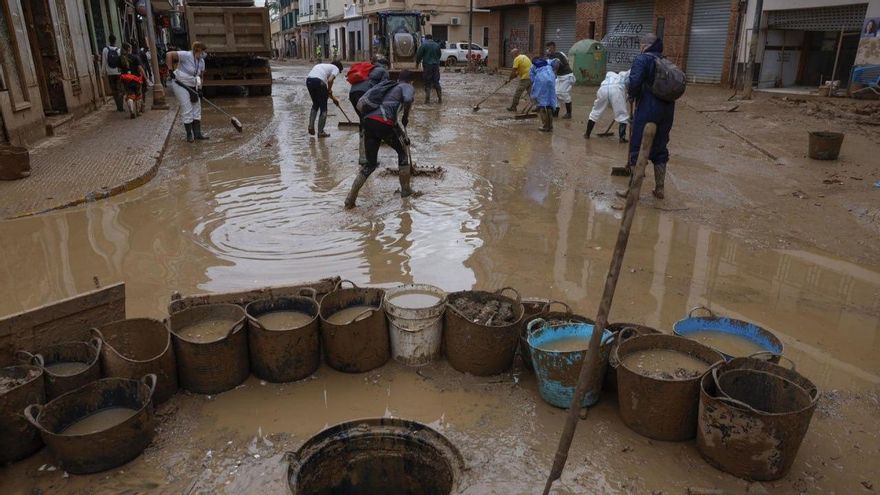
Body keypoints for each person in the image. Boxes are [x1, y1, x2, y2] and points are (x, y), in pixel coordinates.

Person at [345, 70, 416, 209]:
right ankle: (406, 191)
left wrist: (403, 135)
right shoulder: (406, 86)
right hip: (383, 123)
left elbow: (392, 121)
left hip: (369, 123)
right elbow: (407, 100)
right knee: (402, 154)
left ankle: (350, 199)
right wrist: (406, 116)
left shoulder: (388, 89)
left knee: (370, 164)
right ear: (410, 81)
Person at [618, 34, 675, 200]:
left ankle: (632, 190)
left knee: (638, 146)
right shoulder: (665, 61)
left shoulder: (642, 59)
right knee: (660, 147)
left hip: (648, 108)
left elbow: (634, 81)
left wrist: (631, 95)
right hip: (667, 110)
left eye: (641, 44)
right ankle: (660, 189)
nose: (640, 47)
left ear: (646, 45)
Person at [166, 41, 209, 143]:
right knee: (187, 108)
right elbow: (169, 55)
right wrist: (170, 71)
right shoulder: (186, 55)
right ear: (197, 50)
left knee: (197, 107)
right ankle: (189, 135)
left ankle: (198, 134)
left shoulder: (201, 61)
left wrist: (200, 89)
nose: (204, 54)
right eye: (203, 52)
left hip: (194, 85)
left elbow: (201, 77)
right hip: (180, 84)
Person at [349, 58, 390, 166]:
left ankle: (363, 156)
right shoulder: (383, 71)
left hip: (353, 94)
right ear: (385, 65)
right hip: (366, 94)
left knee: (364, 123)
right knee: (369, 125)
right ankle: (366, 158)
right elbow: (383, 88)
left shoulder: (368, 69)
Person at [585, 70, 630, 142]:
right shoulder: (623, 76)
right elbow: (629, 84)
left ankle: (587, 134)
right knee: (622, 114)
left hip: (603, 89)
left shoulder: (609, 75)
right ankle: (622, 138)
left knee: (596, 111)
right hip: (616, 90)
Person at [306, 60, 343, 138]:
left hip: (309, 81)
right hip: (318, 82)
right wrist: (329, 91)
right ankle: (321, 132)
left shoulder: (321, 66)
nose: (336, 76)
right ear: (339, 68)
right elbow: (330, 81)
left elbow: (326, 87)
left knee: (316, 104)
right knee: (323, 108)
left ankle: (311, 126)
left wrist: (333, 98)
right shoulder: (335, 68)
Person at [545, 42, 575, 119]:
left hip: (567, 76)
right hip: (560, 77)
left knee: (563, 93)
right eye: (547, 48)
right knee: (555, 94)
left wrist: (553, 75)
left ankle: (569, 113)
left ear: (554, 48)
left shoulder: (557, 55)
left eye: (550, 48)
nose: (548, 50)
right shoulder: (552, 57)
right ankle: (556, 113)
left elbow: (556, 66)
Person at [529, 57, 559, 132]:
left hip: (541, 80)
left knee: (541, 105)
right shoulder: (548, 62)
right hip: (551, 80)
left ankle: (545, 126)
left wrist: (535, 89)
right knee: (549, 103)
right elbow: (557, 61)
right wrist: (554, 72)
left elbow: (532, 79)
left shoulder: (533, 66)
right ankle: (550, 126)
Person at [118, 43, 147, 117]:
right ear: (129, 49)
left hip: (126, 80)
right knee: (138, 95)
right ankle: (138, 111)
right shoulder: (135, 57)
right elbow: (140, 68)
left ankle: (131, 111)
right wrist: (145, 77)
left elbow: (119, 70)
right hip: (136, 79)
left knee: (130, 96)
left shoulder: (120, 58)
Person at [416, 34, 442, 104]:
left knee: (428, 82)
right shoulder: (437, 45)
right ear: (432, 38)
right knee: (436, 82)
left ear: (426, 38)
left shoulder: (424, 45)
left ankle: (427, 100)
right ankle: (440, 99)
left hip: (427, 66)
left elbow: (419, 55)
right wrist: (436, 60)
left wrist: (417, 63)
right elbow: (439, 55)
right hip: (436, 66)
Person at [101, 35, 123, 112]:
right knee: (120, 89)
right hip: (118, 72)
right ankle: (121, 106)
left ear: (109, 40)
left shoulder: (105, 50)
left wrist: (103, 73)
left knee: (114, 90)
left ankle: (118, 106)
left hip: (110, 73)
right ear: (115, 41)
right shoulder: (119, 50)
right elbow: (121, 62)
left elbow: (104, 62)